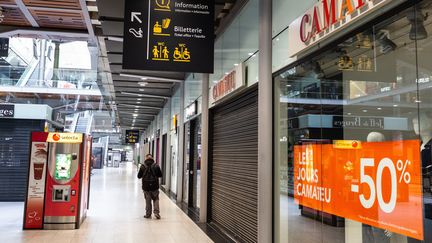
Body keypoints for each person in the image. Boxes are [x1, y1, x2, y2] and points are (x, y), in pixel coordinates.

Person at [137, 154, 163, 219]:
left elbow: (139, 176)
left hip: (146, 187)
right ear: (152, 158)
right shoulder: (156, 165)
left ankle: (148, 214)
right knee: (156, 199)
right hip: (155, 186)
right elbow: (160, 175)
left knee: (148, 200)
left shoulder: (143, 166)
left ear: (146, 158)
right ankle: (156, 213)